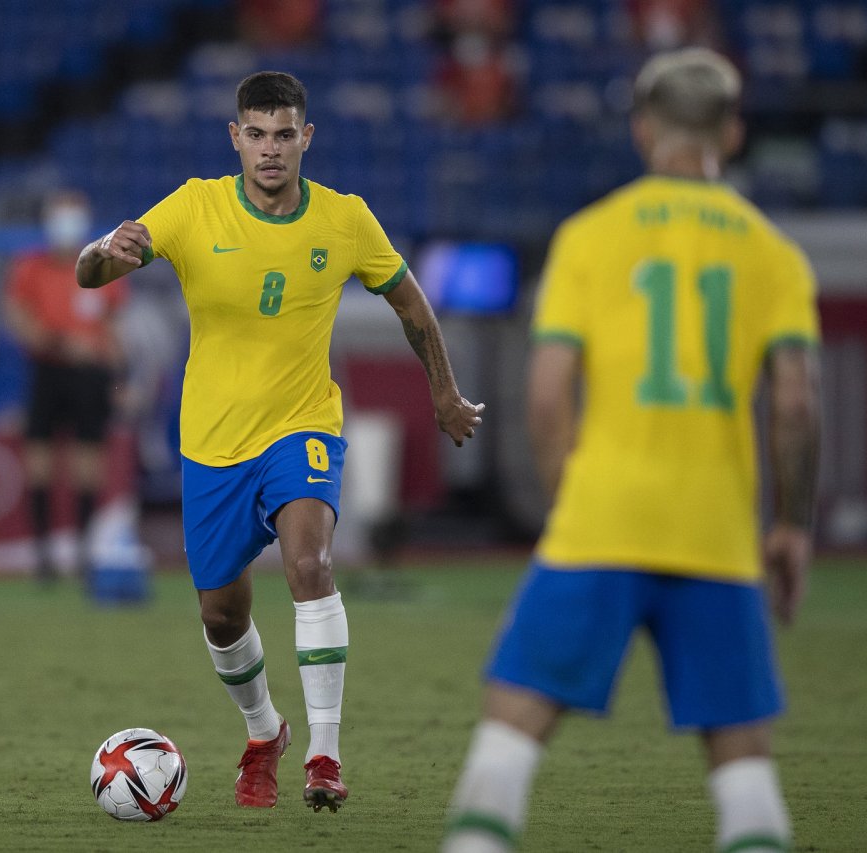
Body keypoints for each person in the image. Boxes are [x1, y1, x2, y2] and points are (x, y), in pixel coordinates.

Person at [442, 48, 821, 853]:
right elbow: (795, 403)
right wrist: (790, 523)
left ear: (643, 130)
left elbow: (547, 397)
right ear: (734, 131)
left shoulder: (589, 236)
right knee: (744, 767)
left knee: (510, 731)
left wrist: (564, 501)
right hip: (717, 532)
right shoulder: (773, 254)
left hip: (603, 519)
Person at [76, 71, 484, 814]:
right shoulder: (194, 205)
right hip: (212, 442)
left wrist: (445, 393)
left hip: (303, 427)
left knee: (309, 562)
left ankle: (324, 756)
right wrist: (108, 246)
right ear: (236, 137)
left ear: (307, 137)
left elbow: (410, 302)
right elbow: (88, 274)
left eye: (284, 134)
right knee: (222, 618)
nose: (270, 149)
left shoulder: (344, 219)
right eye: (256, 134)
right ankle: (266, 732)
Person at [5, 190, 129, 582]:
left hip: (91, 377)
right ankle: (43, 555)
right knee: (39, 461)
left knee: (87, 464)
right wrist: (64, 343)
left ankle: (85, 554)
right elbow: (20, 321)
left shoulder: (103, 267)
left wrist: (120, 378)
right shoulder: (30, 267)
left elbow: (110, 331)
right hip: (48, 371)